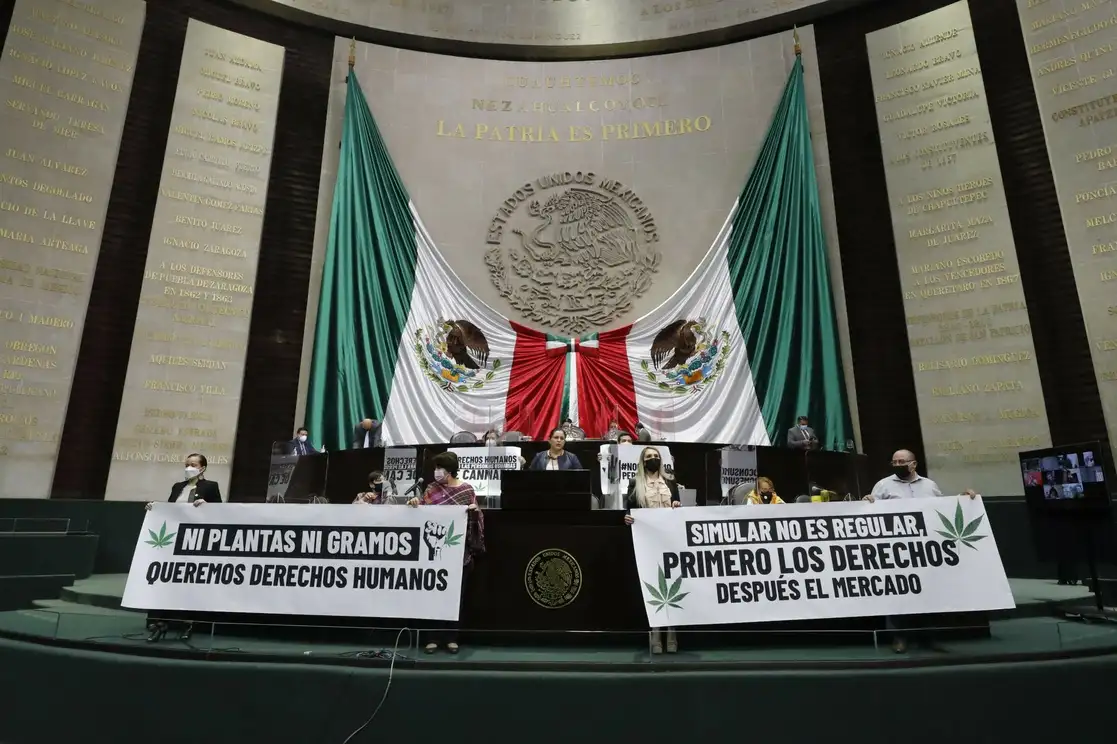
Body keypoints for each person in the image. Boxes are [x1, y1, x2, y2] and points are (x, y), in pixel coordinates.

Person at [862, 449, 977, 653]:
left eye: (902, 461)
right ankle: (899, 637)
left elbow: (943, 508)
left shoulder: (929, 485)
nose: (898, 465)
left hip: (925, 550)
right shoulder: (883, 485)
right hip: (896, 550)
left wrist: (963, 499)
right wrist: (867, 501)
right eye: (894, 462)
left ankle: (928, 637)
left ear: (913, 464)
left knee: (928, 593)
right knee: (898, 594)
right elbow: (871, 510)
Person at [407, 451, 485, 654]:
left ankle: (452, 637)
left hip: (459, 555)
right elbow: (423, 512)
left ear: (449, 470)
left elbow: (477, 518)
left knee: (456, 598)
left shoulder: (466, 490)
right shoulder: (431, 489)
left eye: (439, 467)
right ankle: (433, 637)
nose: (436, 471)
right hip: (434, 555)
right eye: (435, 468)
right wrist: (415, 504)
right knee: (433, 596)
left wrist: (474, 512)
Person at [623, 446, 681, 654]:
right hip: (647, 541)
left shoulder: (671, 482)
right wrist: (627, 518)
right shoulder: (634, 483)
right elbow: (629, 510)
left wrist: (677, 506)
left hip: (669, 540)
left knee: (673, 584)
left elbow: (678, 507)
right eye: (649, 457)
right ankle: (655, 631)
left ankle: (672, 631)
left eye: (656, 456)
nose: (653, 459)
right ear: (643, 461)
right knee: (653, 586)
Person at [145, 453, 221, 510]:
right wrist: (155, 508)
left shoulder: (211, 486)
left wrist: (207, 506)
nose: (188, 468)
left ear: (202, 469)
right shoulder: (177, 486)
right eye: (187, 465)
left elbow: (219, 510)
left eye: (193, 465)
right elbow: (169, 508)